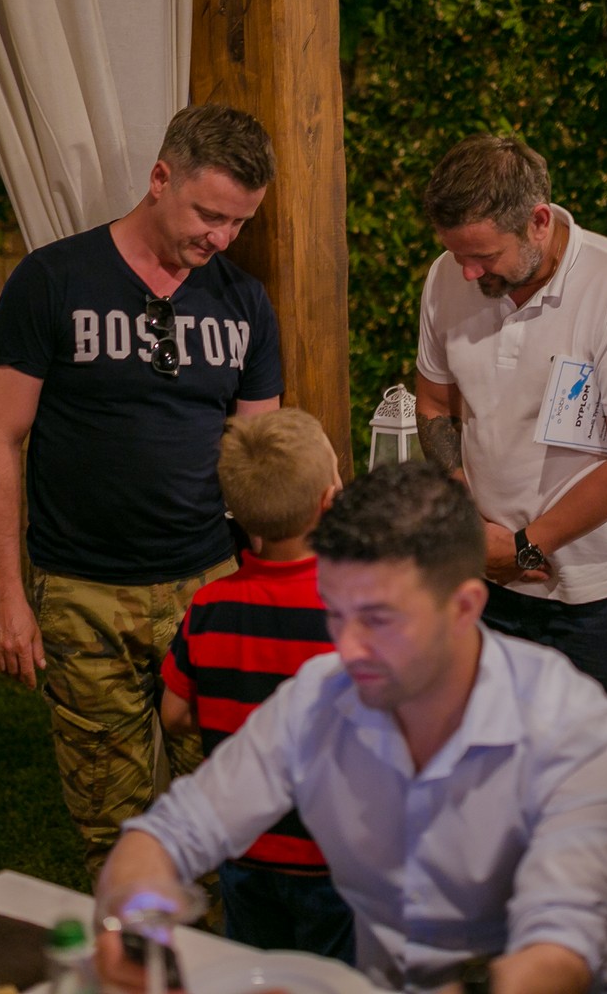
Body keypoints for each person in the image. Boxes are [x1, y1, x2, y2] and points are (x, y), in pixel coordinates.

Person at [97, 462, 607, 994]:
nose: (347, 648)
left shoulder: (570, 726)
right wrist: (138, 923)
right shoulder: (320, 697)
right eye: (334, 612)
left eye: (378, 619)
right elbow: (174, 830)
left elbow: (561, 944)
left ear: (464, 607)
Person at [0, 103, 283, 886]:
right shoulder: (53, 280)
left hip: (210, 588)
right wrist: (7, 597)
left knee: (221, 817)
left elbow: (260, 460)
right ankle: (134, 948)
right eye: (209, 214)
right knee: (113, 826)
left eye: (239, 222)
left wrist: (276, 590)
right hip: (83, 592)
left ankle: (210, 950)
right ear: (160, 178)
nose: (221, 238)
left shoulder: (243, 301)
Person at [413, 134, 607, 720]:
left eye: (484, 255)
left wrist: (526, 547)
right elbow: (433, 403)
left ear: (537, 222)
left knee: (581, 767)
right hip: (481, 578)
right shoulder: (447, 277)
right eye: (455, 254)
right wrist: (468, 521)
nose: (467, 271)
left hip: (591, 597)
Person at [158, 407, 354, 961]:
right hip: (333, 858)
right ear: (328, 500)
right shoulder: (354, 611)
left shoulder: (208, 607)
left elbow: (174, 713)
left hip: (243, 849)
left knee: (253, 971)